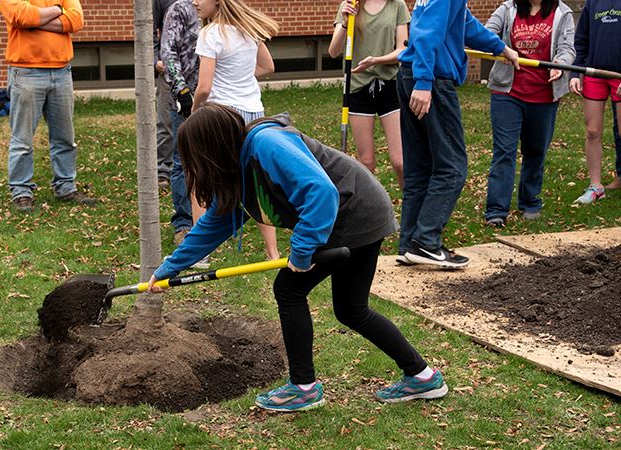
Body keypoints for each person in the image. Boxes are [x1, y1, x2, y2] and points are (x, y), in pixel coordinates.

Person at [148, 104, 449, 411]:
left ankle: (303, 388)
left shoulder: (267, 145)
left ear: (212, 147)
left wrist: (303, 250)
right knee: (351, 309)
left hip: (353, 212)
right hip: (351, 214)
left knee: (289, 290)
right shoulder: (237, 165)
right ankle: (422, 377)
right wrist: (170, 268)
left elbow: (320, 193)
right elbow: (217, 222)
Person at [396, 0, 519, 267]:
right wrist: (425, 81)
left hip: (411, 74)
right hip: (431, 80)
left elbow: (463, 23)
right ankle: (425, 241)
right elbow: (428, 32)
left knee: (420, 168)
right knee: (452, 168)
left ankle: (409, 245)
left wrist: (500, 47)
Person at [191, 0, 281, 261]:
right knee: (256, 180)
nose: (194, 2)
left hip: (222, 116)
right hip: (254, 112)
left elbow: (204, 87)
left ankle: (200, 254)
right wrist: (239, 77)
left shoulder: (209, 34)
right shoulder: (249, 28)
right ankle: (273, 253)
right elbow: (268, 67)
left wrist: (194, 113)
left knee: (199, 178)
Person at [482, 0, 575, 227]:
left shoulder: (563, 13)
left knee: (535, 151)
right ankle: (496, 210)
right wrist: (499, 47)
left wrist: (560, 64)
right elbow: (486, 34)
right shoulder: (507, 9)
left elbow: (567, 48)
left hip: (543, 94)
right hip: (508, 91)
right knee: (504, 151)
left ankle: (530, 202)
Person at [0, 0, 96, 213]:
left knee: (65, 137)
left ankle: (65, 187)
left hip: (62, 72)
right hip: (26, 72)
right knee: (22, 139)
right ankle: (21, 191)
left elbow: (76, 20)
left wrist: (37, 20)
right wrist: (58, 10)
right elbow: (21, 16)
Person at [328, 0, 410, 188]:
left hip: (389, 85)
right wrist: (346, 23)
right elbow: (333, 51)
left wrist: (376, 61)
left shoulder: (397, 5)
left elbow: (402, 51)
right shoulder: (350, 4)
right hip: (357, 88)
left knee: (401, 162)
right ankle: (369, 210)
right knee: (366, 162)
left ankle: (409, 211)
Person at [569, 0, 621, 204]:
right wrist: (575, 73)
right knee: (592, 131)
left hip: (619, 74)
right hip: (595, 74)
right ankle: (596, 186)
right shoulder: (593, 3)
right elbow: (581, 40)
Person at [160, 0, 201, 251]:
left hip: (217, 96)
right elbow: (168, 50)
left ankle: (210, 220)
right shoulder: (180, 9)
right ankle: (184, 224)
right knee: (183, 161)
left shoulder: (218, 8)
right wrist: (181, 89)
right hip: (189, 97)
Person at [154, 0, 178, 188]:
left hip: (200, 67)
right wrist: (156, 61)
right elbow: (149, 33)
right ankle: (162, 170)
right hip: (168, 70)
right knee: (166, 121)